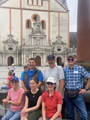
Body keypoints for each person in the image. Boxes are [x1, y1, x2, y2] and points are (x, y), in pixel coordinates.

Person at [63, 54, 90, 120]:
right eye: (69, 59)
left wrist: (85, 89)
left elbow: (89, 77)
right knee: (70, 114)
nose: (70, 61)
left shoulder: (80, 68)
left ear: (74, 60)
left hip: (77, 93)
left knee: (83, 114)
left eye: (72, 59)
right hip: (67, 93)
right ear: (67, 60)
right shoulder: (64, 70)